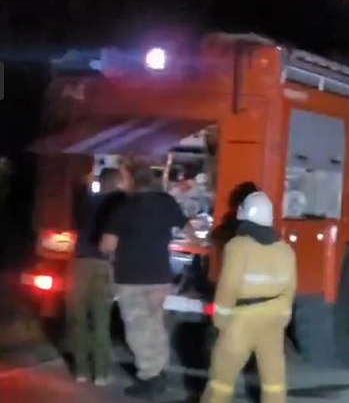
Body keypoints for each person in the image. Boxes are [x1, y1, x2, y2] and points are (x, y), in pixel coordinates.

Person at [100, 157, 187, 398]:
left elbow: (107, 245)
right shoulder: (166, 202)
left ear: (130, 179)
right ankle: (159, 370)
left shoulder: (124, 207)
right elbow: (187, 229)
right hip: (160, 276)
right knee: (156, 325)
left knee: (138, 329)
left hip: (132, 278)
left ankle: (150, 377)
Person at [201, 191, 296, 403]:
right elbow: (290, 289)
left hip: (241, 322)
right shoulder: (285, 250)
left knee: (221, 382)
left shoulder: (238, 247)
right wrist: (281, 319)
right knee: (274, 384)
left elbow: (228, 287)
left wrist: (219, 320)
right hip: (272, 322)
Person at [68, 167, 126, 386]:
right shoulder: (121, 204)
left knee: (79, 319)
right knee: (101, 322)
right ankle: (101, 373)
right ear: (117, 183)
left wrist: (83, 183)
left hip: (79, 264)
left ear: (100, 183)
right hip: (103, 266)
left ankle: (81, 371)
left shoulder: (86, 203)